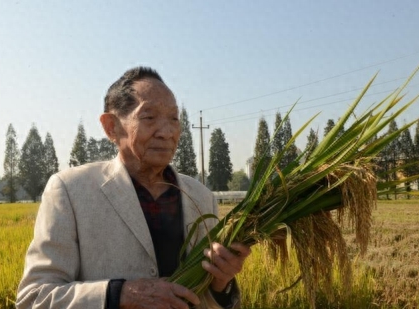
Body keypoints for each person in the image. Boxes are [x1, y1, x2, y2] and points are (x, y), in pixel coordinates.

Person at [16, 67, 251, 309]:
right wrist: (121, 294)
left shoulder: (201, 197)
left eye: (174, 118)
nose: (167, 132)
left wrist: (221, 284)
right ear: (111, 127)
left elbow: (208, 300)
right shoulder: (71, 191)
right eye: (149, 117)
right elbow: (35, 298)